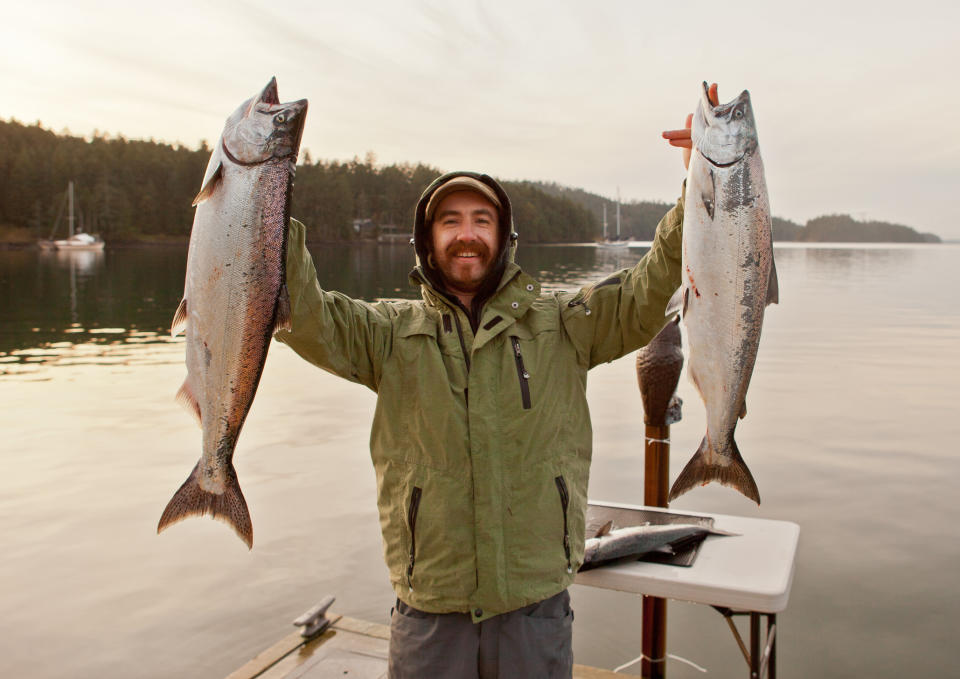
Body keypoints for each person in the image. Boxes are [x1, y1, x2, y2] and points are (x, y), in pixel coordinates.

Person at [274, 85, 717, 679]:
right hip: (429, 607)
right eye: (451, 221)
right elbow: (305, 316)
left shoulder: (563, 322)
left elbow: (647, 290)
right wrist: (268, 196)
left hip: (534, 606)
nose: (467, 233)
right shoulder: (387, 333)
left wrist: (701, 183)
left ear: (503, 238)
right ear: (427, 240)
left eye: (482, 220)